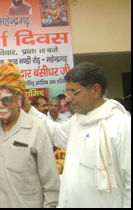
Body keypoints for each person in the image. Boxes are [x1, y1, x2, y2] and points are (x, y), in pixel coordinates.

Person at [23, 62, 131, 208]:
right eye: (67, 91)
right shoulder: (77, 120)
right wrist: (29, 109)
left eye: (74, 92)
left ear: (95, 90)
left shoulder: (121, 125)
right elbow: (56, 133)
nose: (67, 98)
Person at [0, 62, 60, 208]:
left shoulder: (36, 128)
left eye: (6, 99)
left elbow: (51, 183)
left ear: (19, 99)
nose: (1, 105)